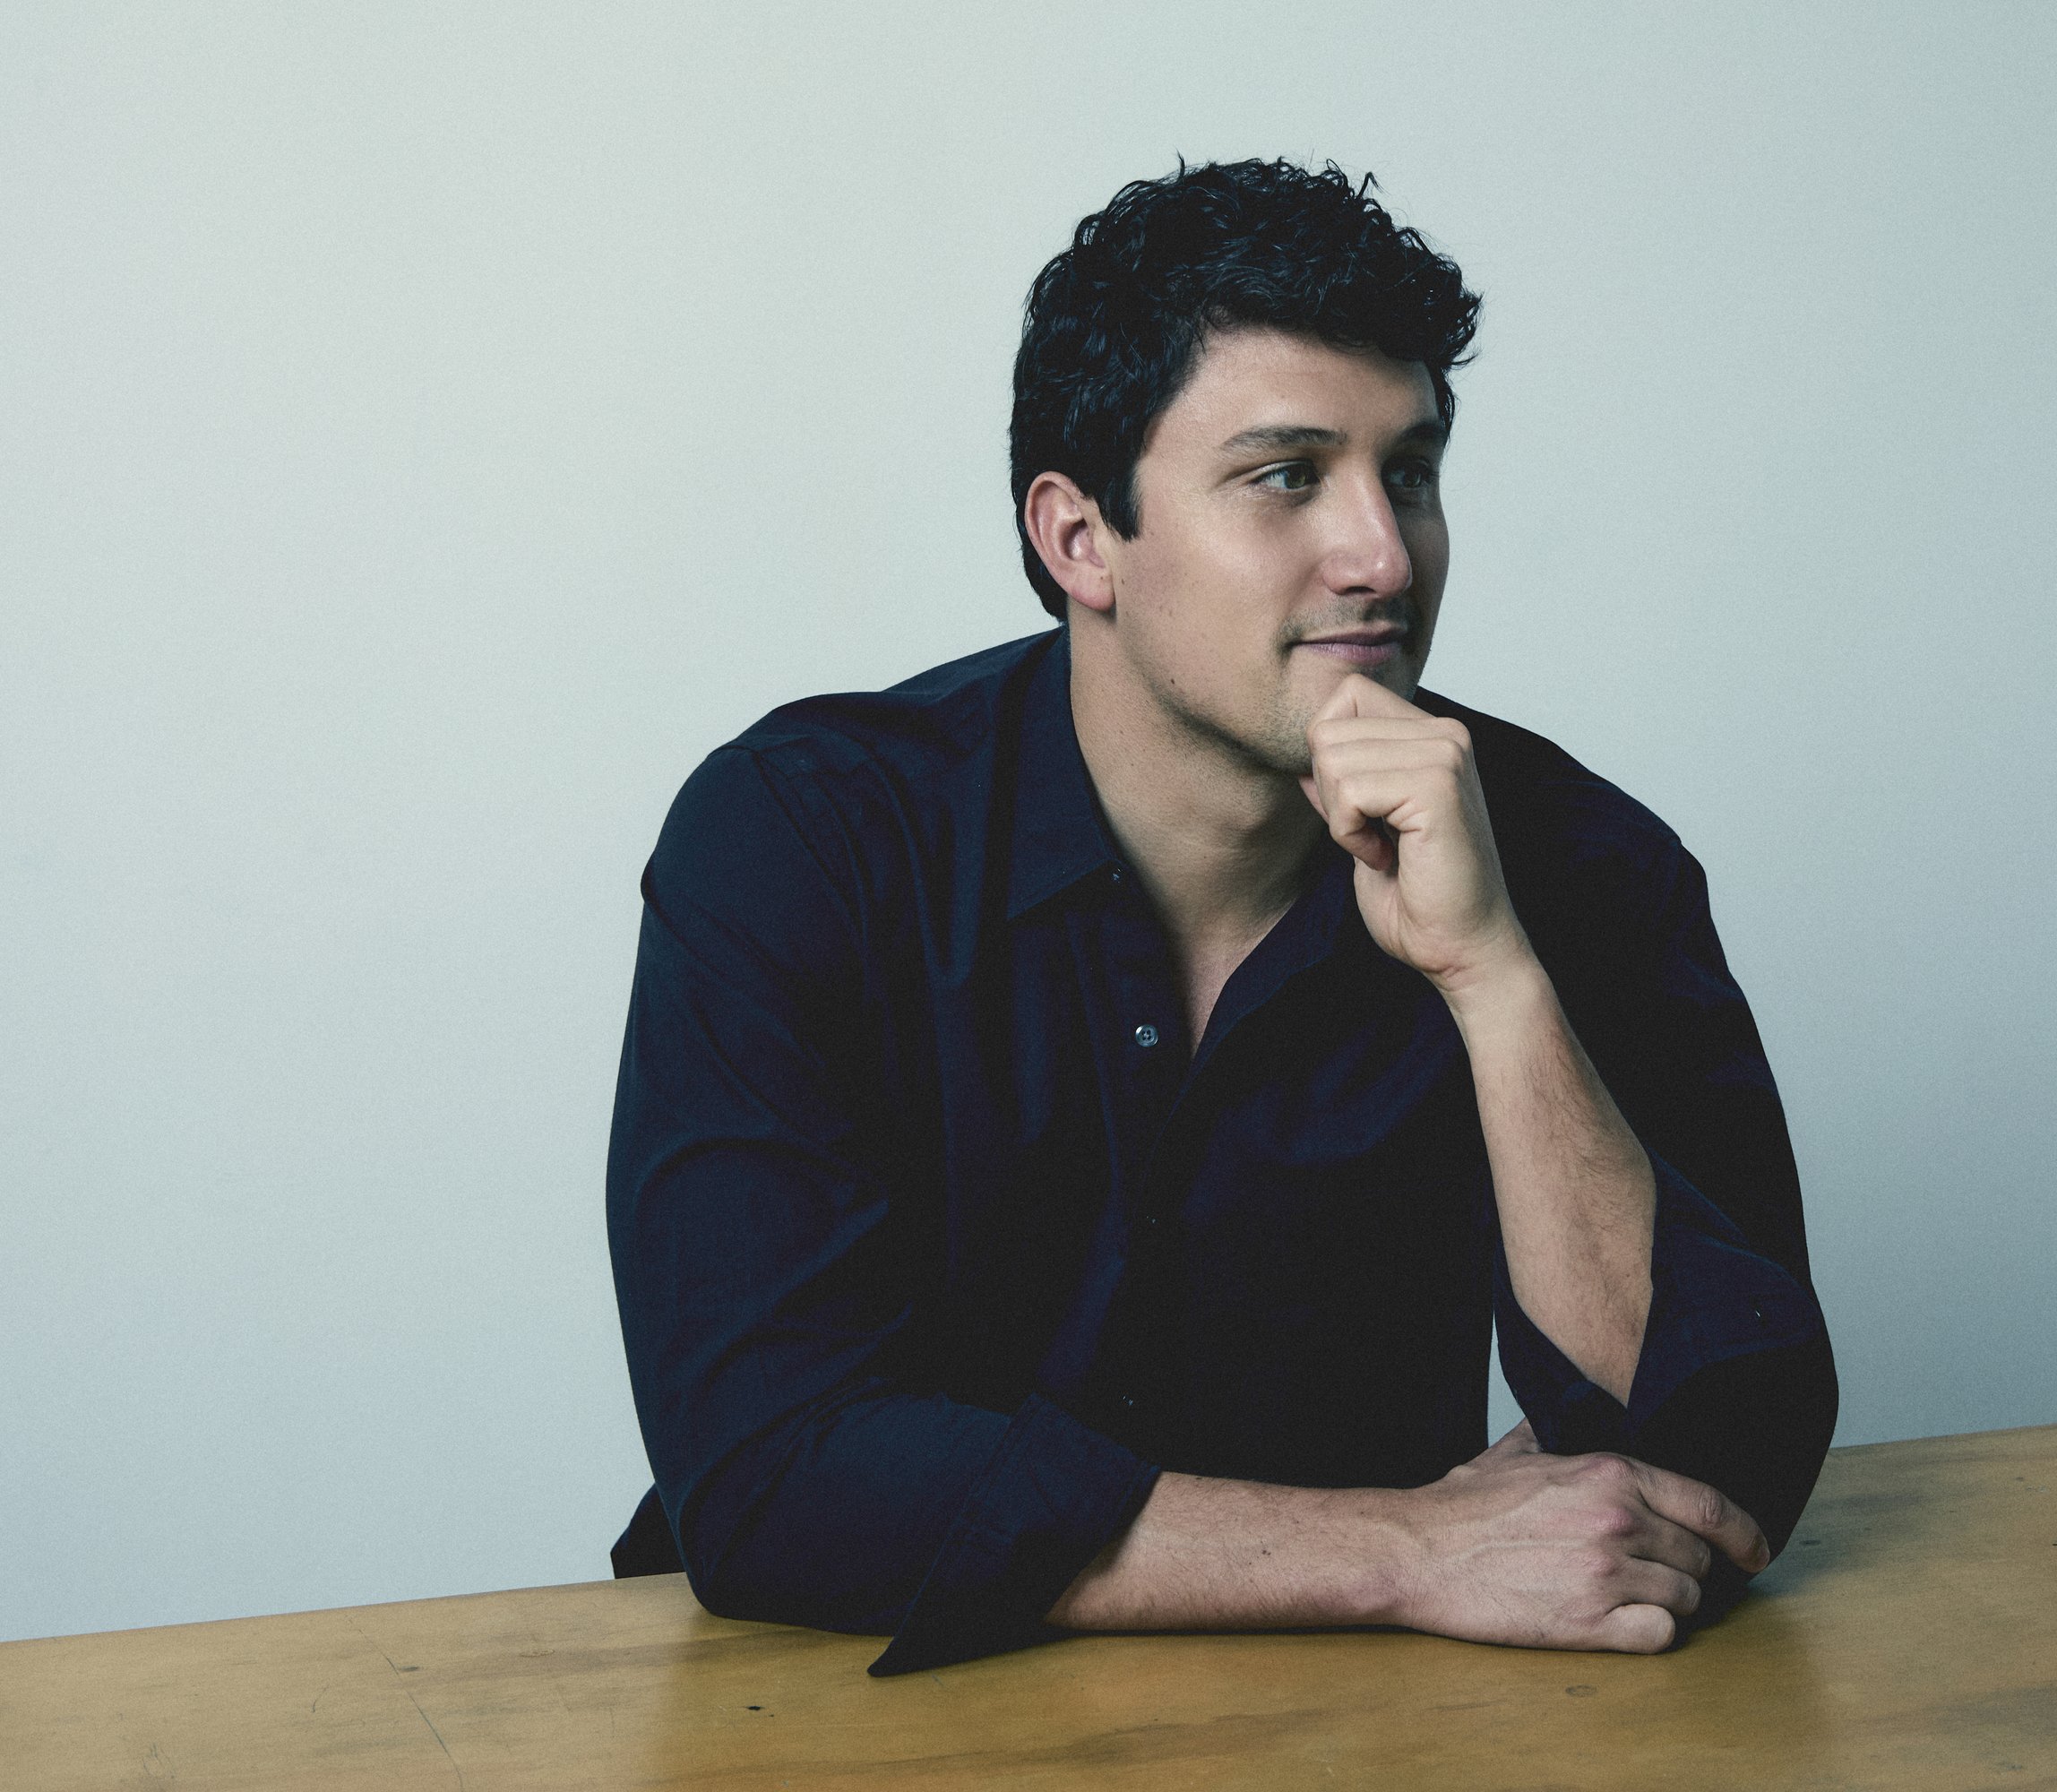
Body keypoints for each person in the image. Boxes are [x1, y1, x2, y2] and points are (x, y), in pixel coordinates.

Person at [606, 158, 1838, 1676]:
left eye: (1412, 472)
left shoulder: (1575, 865)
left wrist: (1493, 978)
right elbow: (773, 1477)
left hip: (1345, 1732)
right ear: (1080, 541)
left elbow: (1717, 1461)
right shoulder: (804, 843)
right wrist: (1405, 1551)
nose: (1382, 556)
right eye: (1285, 477)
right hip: (825, 1715)